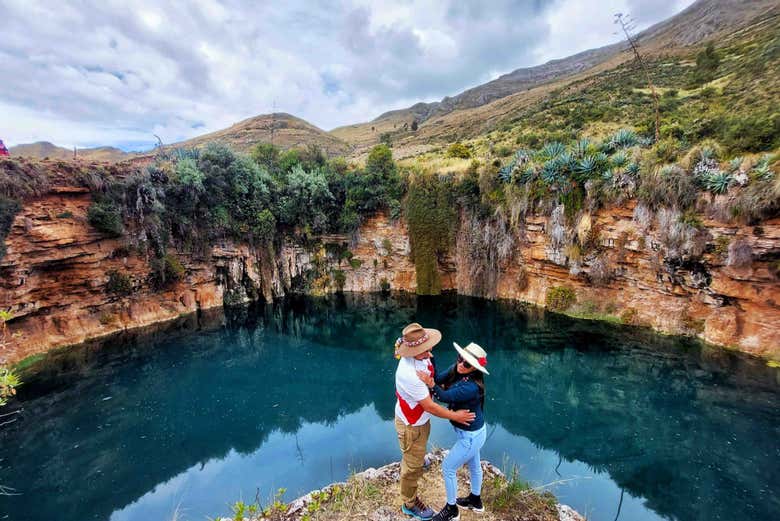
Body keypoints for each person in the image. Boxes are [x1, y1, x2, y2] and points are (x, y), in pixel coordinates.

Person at [394, 323, 476, 521]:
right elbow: (430, 406)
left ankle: (419, 458)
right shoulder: (408, 374)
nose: (430, 352)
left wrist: (454, 371)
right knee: (411, 468)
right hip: (411, 425)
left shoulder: (423, 357)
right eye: (425, 350)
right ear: (412, 351)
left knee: (419, 448)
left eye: (429, 347)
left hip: (421, 421)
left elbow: (434, 378)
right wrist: (456, 416)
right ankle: (409, 503)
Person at [417, 342, 489, 521]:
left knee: (448, 468)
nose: (460, 364)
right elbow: (440, 378)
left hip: (471, 437)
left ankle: (451, 510)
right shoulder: (457, 370)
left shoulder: (471, 387)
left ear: (474, 369)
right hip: (475, 433)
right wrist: (432, 361)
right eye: (460, 358)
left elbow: (443, 396)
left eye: (466, 363)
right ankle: (475, 501)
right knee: (474, 466)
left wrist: (430, 384)